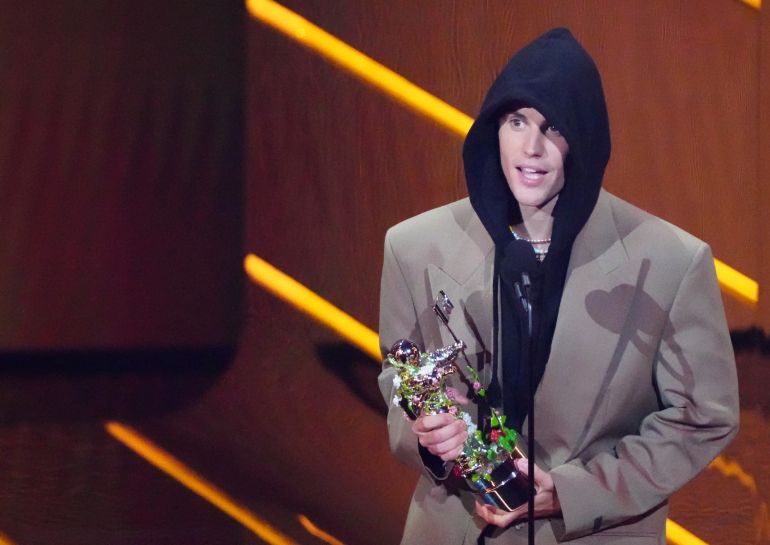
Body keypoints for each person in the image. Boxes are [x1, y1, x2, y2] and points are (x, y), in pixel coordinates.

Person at [377, 28, 739, 545]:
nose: (532, 148)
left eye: (555, 128)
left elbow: (704, 418)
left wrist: (575, 492)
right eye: (516, 121)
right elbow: (399, 381)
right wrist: (430, 439)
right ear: (492, 130)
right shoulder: (413, 247)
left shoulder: (671, 262)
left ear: (585, 139)